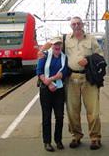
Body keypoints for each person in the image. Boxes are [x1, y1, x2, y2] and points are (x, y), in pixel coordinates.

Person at [39, 16, 104, 150]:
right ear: (71, 26)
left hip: (88, 79)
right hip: (71, 79)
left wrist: (89, 59)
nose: (76, 26)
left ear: (82, 24)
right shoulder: (65, 38)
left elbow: (100, 56)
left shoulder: (91, 39)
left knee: (93, 110)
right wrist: (41, 51)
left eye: (78, 23)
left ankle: (95, 138)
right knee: (72, 110)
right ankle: (76, 136)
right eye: (73, 24)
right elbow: (51, 43)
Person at [36, 36, 69, 152]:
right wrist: (48, 83)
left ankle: (58, 140)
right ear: (51, 45)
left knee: (60, 116)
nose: (57, 46)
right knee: (46, 116)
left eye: (59, 44)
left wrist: (52, 79)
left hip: (59, 90)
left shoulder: (64, 58)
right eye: (55, 44)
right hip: (46, 90)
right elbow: (39, 71)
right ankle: (47, 142)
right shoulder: (44, 56)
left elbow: (64, 73)